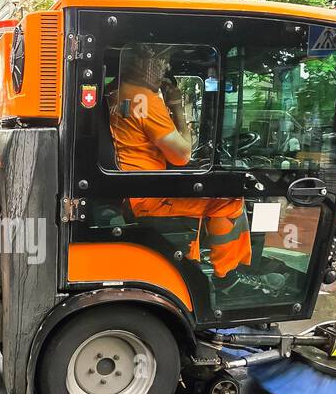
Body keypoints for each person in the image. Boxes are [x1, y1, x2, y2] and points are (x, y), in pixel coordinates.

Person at [109, 45, 277, 294]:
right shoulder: (143, 97)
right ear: (143, 61)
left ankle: (195, 265)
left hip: (134, 189)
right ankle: (227, 278)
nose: (166, 67)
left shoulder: (116, 91)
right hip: (146, 195)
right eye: (162, 60)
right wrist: (176, 105)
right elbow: (182, 154)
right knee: (228, 199)